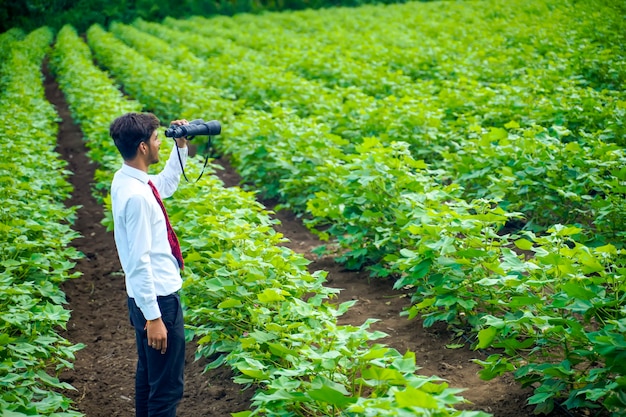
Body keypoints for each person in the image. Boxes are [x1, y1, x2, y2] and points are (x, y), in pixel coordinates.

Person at [109, 112, 189, 417]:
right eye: (157, 138)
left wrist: (180, 146)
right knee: (166, 390)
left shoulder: (127, 180)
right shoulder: (138, 198)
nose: (160, 142)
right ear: (143, 147)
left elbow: (165, 185)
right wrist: (155, 318)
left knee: (148, 380)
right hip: (158, 301)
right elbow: (139, 262)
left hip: (142, 299)